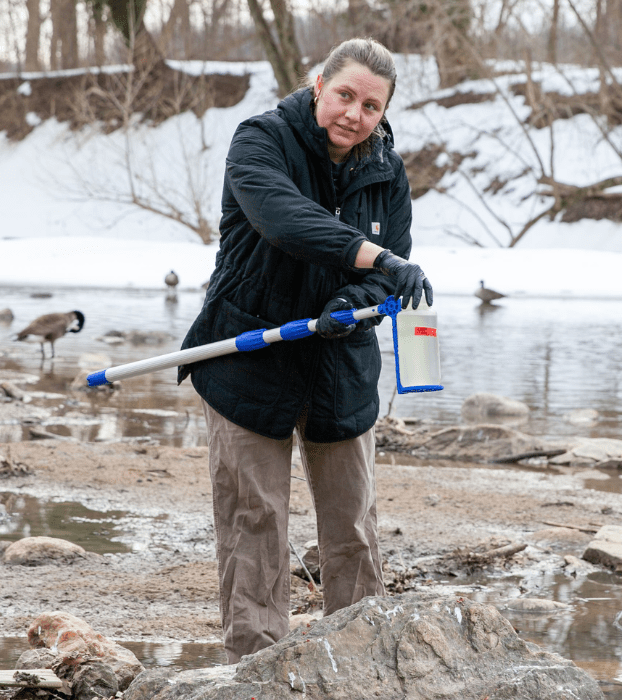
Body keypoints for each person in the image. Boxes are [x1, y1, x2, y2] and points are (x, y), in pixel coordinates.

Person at [177, 37, 433, 662]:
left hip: (340, 366)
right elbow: (285, 219)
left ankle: (360, 658)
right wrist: (378, 260)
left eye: (372, 106)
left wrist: (358, 300)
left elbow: (387, 274)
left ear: (383, 113)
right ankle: (258, 666)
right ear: (319, 84)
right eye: (345, 94)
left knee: (351, 525)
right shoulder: (259, 139)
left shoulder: (387, 171)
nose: (354, 113)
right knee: (254, 521)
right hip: (247, 357)